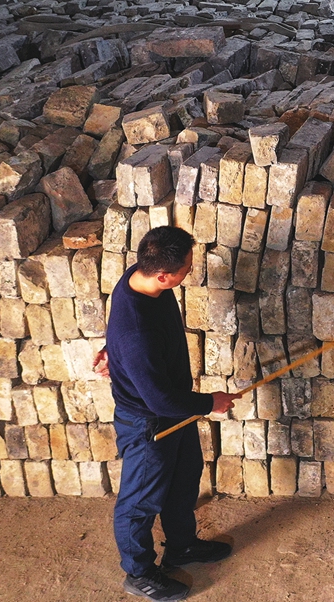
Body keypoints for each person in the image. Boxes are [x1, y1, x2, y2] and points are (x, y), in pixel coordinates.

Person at [93, 226, 241, 601]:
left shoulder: (138, 278)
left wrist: (115, 352)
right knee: (140, 502)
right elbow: (158, 399)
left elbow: (128, 339)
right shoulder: (136, 333)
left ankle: (182, 546)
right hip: (150, 421)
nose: (188, 272)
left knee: (184, 478)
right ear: (163, 274)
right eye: (186, 269)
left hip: (171, 407)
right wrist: (211, 403)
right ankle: (139, 573)